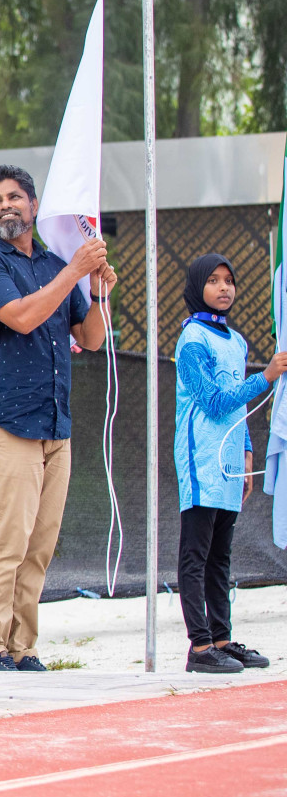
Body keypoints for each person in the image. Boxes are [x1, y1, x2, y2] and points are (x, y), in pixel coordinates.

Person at [0, 164, 116, 673]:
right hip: (6, 423)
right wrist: (74, 270)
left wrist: (101, 289)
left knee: (40, 546)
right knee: (9, 541)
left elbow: (90, 339)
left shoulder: (53, 264)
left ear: (33, 205)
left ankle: (23, 648)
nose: (6, 206)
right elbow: (23, 317)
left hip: (54, 425)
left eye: (15, 197)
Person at [172, 253, 283, 673]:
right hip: (202, 458)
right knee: (196, 554)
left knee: (221, 556)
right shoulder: (192, 341)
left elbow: (237, 406)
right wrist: (266, 377)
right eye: (214, 280)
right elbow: (215, 402)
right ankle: (199, 648)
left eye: (229, 281)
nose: (224, 288)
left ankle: (221, 638)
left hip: (230, 461)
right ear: (197, 286)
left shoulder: (235, 341)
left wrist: (248, 449)